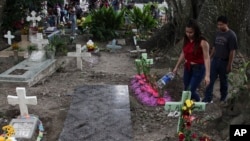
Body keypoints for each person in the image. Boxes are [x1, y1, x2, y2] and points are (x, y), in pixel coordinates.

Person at [202, 16, 238, 104]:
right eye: (218, 25)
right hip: (215, 60)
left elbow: (232, 51)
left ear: (226, 24)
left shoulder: (231, 35)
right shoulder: (217, 34)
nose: (219, 26)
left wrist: (230, 64)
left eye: (221, 25)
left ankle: (223, 97)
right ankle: (207, 97)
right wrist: (210, 57)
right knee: (210, 78)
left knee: (223, 81)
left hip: (224, 62)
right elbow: (214, 47)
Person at [173, 19, 210, 102]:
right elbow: (183, 53)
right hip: (188, 67)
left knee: (190, 90)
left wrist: (207, 75)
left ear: (196, 31)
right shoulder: (186, 40)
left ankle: (194, 101)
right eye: (187, 32)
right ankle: (196, 100)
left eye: (191, 32)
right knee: (186, 89)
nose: (188, 34)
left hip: (198, 68)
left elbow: (207, 58)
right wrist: (176, 67)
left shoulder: (203, 42)